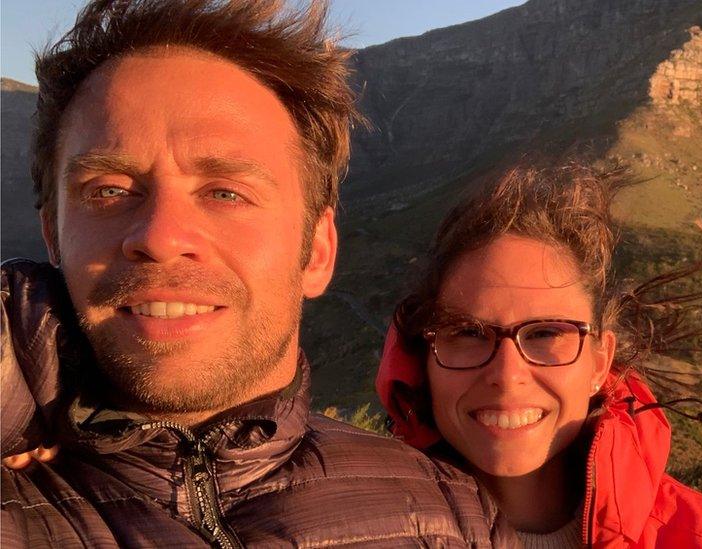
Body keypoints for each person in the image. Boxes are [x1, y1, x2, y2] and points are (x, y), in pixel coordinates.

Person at [1, 1, 515, 546]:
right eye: (108, 190)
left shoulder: (454, 517)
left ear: (316, 251)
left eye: (226, 192)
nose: (160, 235)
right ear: (52, 235)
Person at [376, 165, 702, 548]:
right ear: (424, 360)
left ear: (600, 362)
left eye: (547, 333)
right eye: (467, 333)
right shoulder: (362, 531)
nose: (507, 373)